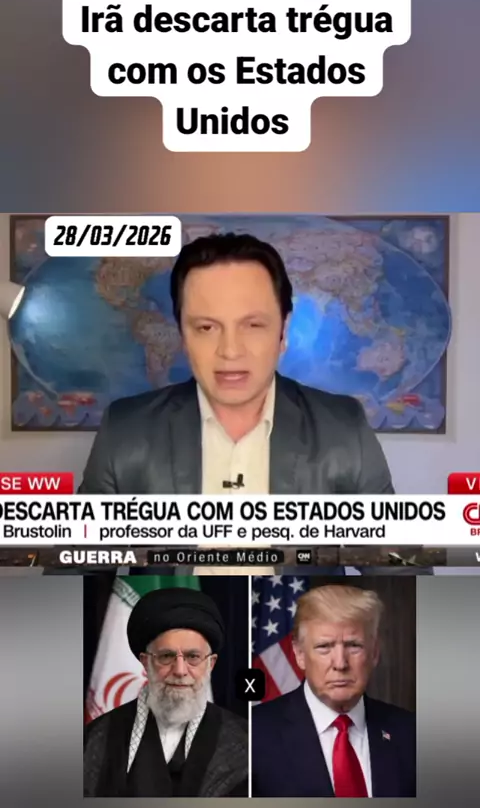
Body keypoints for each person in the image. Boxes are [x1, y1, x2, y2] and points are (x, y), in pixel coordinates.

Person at [78, 233, 395, 576]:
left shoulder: (344, 430)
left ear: (283, 331)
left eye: (253, 325)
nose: (230, 351)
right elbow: (76, 577)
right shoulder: (125, 432)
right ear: (183, 335)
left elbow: (399, 576)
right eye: (206, 327)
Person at [252, 585, 416, 797]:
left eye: (354, 645)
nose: (340, 663)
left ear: (374, 652)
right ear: (299, 654)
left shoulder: (412, 734)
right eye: (324, 647)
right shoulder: (253, 735)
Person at [83, 587, 248, 797]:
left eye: (193, 657)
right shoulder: (93, 740)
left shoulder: (245, 742)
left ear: (211, 663)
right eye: (166, 656)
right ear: (146, 662)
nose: (180, 670)